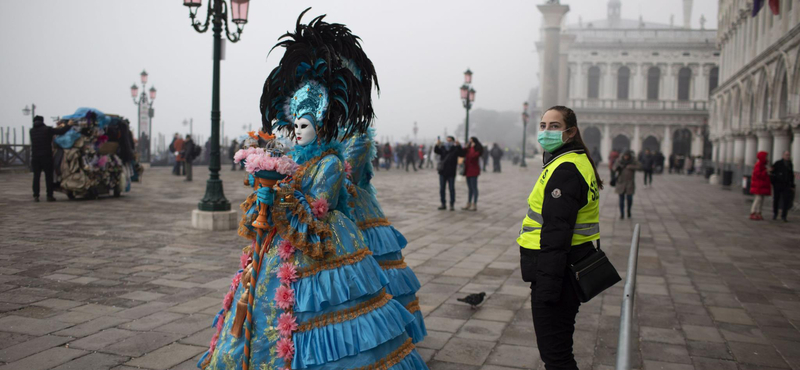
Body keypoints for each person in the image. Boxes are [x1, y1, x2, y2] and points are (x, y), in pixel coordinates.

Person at [199, 11, 427, 370]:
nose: (298, 131)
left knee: (331, 307)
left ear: (320, 125)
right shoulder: (298, 157)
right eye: (295, 125)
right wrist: (267, 186)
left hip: (323, 238)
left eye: (305, 125)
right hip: (286, 238)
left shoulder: (333, 162)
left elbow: (318, 207)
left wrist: (282, 194)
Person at [517, 106, 602, 370]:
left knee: (557, 358)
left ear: (571, 132)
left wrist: (547, 289)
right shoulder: (574, 161)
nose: (546, 131)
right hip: (569, 265)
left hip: (558, 273)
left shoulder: (565, 170)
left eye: (554, 126)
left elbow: (556, 233)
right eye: (543, 126)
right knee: (559, 352)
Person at [342, 129, 427, 344]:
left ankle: (385, 330)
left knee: (375, 268)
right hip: (339, 210)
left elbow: (348, 175)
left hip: (354, 210)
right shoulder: (332, 135)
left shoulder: (358, 138)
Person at [30, 116, 72, 202]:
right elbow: (61, 131)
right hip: (46, 156)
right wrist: (69, 125)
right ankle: (49, 196)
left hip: (35, 157)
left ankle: (36, 196)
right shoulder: (47, 129)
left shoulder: (31, 131)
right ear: (42, 121)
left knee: (36, 177)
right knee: (48, 177)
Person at [434, 136, 461, 211]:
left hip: (451, 172)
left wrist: (458, 145)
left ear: (453, 141)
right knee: (442, 188)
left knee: (451, 189)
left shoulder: (455, 148)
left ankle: (452, 204)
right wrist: (437, 144)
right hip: (442, 171)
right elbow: (436, 151)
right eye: (447, 140)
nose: (448, 142)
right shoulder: (443, 147)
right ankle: (443, 203)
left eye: (450, 141)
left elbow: (461, 153)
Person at [613, 150, 640, 219]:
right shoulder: (619, 161)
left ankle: (628, 210)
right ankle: (621, 213)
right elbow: (613, 168)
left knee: (629, 198)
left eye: (627, 156)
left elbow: (640, 167)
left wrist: (630, 167)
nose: (626, 157)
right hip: (621, 182)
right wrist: (617, 168)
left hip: (629, 183)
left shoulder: (633, 161)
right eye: (625, 156)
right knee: (621, 199)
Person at [460, 136, 483, 211]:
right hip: (467, 170)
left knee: (474, 188)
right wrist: (466, 147)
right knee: (469, 188)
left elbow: (473, 156)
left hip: (474, 170)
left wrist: (472, 148)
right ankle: (468, 203)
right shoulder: (468, 149)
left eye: (472, 142)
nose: (470, 143)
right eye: (469, 142)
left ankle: (474, 204)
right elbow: (462, 154)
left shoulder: (477, 149)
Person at [771, 150, 795, 221]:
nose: (788, 156)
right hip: (778, 184)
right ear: (783, 155)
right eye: (786, 155)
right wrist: (773, 182)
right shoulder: (778, 163)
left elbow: (791, 175)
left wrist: (792, 185)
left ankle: (784, 216)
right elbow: (772, 172)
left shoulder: (790, 164)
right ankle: (775, 213)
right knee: (776, 199)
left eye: (788, 155)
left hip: (786, 185)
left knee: (786, 200)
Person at [750, 151, 772, 220]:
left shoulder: (763, 165)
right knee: (758, 199)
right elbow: (758, 174)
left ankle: (758, 212)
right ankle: (753, 212)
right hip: (758, 185)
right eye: (766, 157)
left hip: (762, 185)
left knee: (761, 199)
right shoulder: (759, 164)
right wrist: (766, 171)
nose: (767, 158)